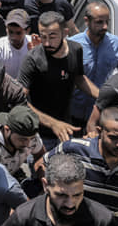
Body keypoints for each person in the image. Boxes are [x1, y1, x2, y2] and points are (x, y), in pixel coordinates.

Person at [17, 11, 98, 147]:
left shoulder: (76, 50)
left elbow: (78, 78)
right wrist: (53, 123)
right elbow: (19, 100)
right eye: (43, 37)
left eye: (52, 36)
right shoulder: (32, 59)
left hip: (66, 130)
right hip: (38, 136)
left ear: (65, 33)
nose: (47, 43)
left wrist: (101, 95)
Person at [68, 2, 118, 125]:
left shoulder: (116, 44)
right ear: (86, 21)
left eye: (107, 22)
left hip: (100, 114)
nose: (105, 26)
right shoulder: (72, 45)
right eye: (99, 22)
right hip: (71, 113)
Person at [0, 9, 31, 79]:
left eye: (18, 33)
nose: (14, 37)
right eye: (10, 32)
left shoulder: (34, 45)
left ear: (27, 31)